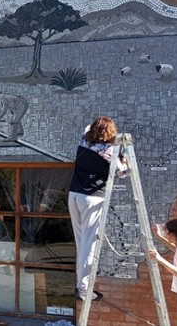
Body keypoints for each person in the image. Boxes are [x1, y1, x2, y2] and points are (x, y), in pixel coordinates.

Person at [68, 116, 128, 301]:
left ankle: (81, 284)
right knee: (90, 244)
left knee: (81, 242)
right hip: (93, 199)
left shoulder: (83, 141)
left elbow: (87, 129)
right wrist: (123, 155)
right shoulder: (109, 151)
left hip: (74, 195)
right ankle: (84, 288)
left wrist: (97, 128)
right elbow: (123, 172)